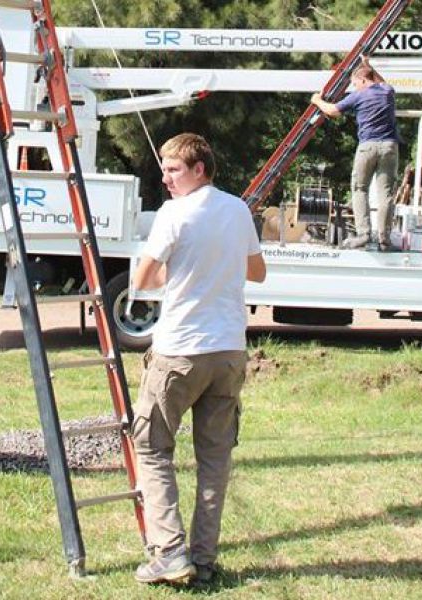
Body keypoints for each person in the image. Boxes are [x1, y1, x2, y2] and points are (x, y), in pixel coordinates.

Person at [131, 133, 266, 585]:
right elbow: (257, 271)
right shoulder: (238, 209)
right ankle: (203, 560)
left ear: (199, 169)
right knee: (214, 459)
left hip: (179, 352)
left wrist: (175, 271)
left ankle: (169, 553)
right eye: (165, 169)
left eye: (173, 170)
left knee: (151, 448)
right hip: (228, 352)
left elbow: (145, 277)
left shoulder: (174, 213)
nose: (165, 178)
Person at [311, 56, 400, 250]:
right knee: (385, 194)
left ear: (363, 80)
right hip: (390, 147)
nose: (354, 87)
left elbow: (332, 111)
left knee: (360, 189)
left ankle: (363, 234)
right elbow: (380, 81)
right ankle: (385, 239)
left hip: (367, 146)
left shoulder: (358, 96)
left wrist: (317, 100)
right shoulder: (387, 91)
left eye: (354, 83)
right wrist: (368, 65)